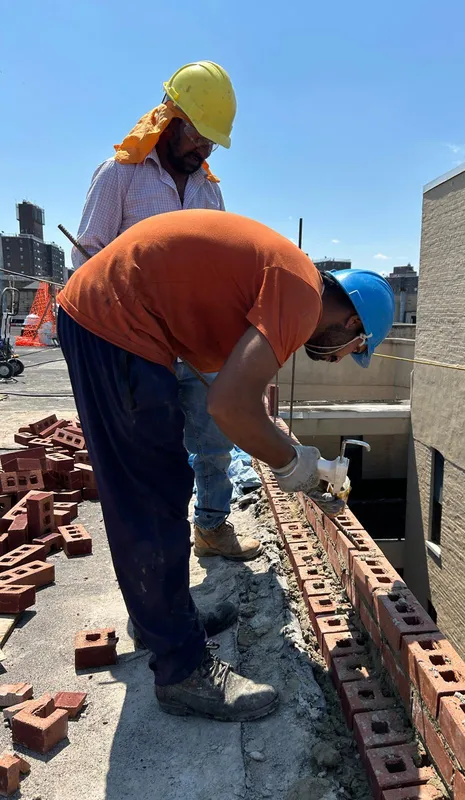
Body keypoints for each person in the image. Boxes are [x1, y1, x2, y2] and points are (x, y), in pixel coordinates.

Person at [57, 209, 395, 722]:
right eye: (353, 349)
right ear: (351, 322)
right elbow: (227, 408)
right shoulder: (300, 297)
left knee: (163, 486)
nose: (338, 359)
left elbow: (231, 389)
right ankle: (182, 670)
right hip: (114, 325)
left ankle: (161, 624)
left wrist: (268, 432)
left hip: (114, 319)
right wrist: (297, 466)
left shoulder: (286, 277)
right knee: (150, 495)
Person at [72, 61, 260, 562]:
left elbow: (218, 261)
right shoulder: (121, 177)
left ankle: (212, 527)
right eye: (198, 135)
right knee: (154, 453)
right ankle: (161, 551)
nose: (203, 149)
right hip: (139, 344)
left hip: (196, 341)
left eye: (212, 142)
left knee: (214, 441)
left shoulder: (208, 189)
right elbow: (87, 255)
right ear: (171, 118)